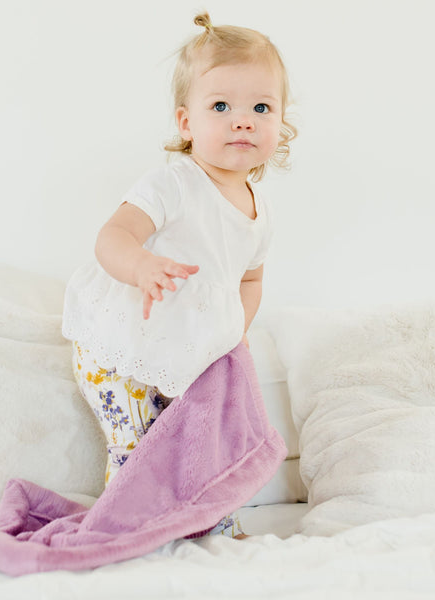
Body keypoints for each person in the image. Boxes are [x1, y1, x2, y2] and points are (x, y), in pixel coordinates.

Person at [62, 12, 296, 539]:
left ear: (280, 122)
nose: (243, 120)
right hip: (120, 342)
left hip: (182, 348)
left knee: (200, 437)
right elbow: (112, 237)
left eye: (261, 107)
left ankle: (206, 522)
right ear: (186, 123)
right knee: (138, 444)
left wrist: (233, 334)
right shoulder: (172, 184)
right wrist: (141, 265)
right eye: (221, 106)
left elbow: (249, 283)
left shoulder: (261, 213)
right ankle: (123, 529)